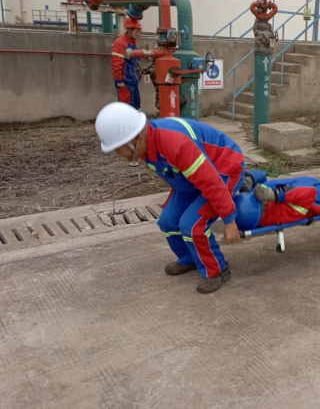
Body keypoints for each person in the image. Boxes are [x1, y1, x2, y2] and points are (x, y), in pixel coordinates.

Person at [95, 102, 246, 294]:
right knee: (168, 222)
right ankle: (190, 258)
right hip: (192, 179)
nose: (118, 155)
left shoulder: (176, 144)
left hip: (224, 171)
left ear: (136, 138)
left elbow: (211, 183)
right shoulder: (147, 145)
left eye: (118, 148)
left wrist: (229, 221)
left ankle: (218, 270)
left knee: (192, 225)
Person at [112, 17, 143, 111]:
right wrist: (119, 81)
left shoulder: (133, 42)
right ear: (129, 31)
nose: (139, 34)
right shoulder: (120, 43)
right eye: (137, 31)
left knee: (137, 104)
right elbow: (116, 63)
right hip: (125, 82)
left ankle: (137, 120)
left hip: (133, 80)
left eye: (140, 31)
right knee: (126, 107)